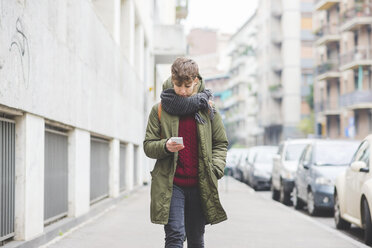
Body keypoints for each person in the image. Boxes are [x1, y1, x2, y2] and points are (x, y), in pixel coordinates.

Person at [143, 57, 228, 248]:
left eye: (187, 86)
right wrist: (165, 146)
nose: (181, 91)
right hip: (172, 185)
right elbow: (148, 145)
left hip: (200, 184)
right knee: (175, 235)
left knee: (196, 238)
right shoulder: (159, 110)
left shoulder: (208, 110)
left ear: (195, 81)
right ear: (172, 79)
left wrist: (215, 169)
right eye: (177, 85)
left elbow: (221, 144)